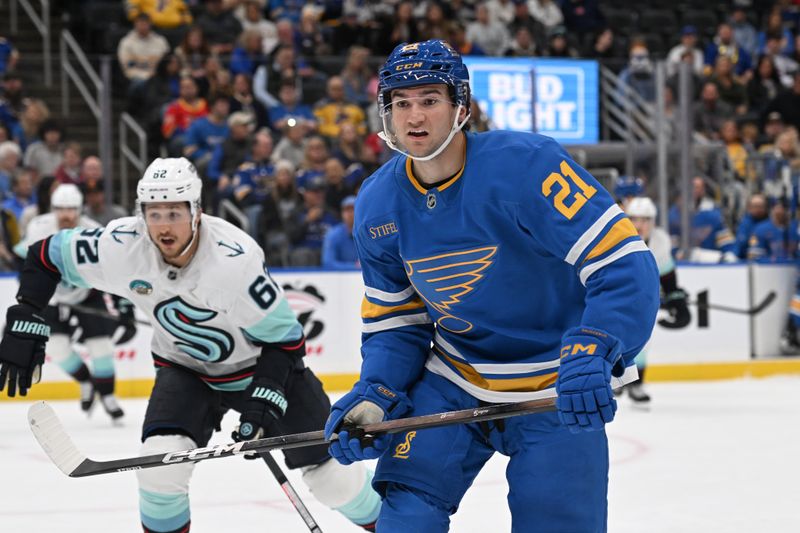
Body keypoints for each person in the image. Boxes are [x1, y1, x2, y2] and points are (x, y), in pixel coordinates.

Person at [323, 39, 660, 532]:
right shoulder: (376, 203)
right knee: (406, 519)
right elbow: (398, 322)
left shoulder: (527, 167)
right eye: (401, 103)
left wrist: (600, 344)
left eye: (430, 100)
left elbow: (624, 263)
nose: (414, 116)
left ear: (461, 106)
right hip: (452, 380)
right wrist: (377, 390)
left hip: (552, 385)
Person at [0, 158, 380, 532]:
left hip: (263, 367)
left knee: (334, 482)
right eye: (154, 213)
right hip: (186, 370)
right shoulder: (121, 245)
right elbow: (44, 256)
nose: (164, 226)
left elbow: (285, 341)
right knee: (158, 474)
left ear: (196, 212)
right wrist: (26, 312)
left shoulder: (235, 260)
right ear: (140, 213)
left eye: (174, 213)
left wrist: (265, 400)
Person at [12, 184, 125, 420]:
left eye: (71, 209)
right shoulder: (39, 227)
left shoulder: (93, 231)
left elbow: (109, 266)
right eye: (60, 209)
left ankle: (107, 395)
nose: (66, 215)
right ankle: (87, 383)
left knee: (100, 346)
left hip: (87, 293)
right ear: (52, 209)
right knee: (56, 348)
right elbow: (22, 254)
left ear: (80, 210)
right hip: (52, 298)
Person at [624, 197, 691, 405]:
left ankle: (635, 383)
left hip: (640, 297)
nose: (639, 225)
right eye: (634, 219)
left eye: (645, 220)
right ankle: (613, 380)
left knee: (642, 339)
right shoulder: (616, 236)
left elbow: (667, 275)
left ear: (653, 222)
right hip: (615, 294)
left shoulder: (660, 241)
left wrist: (675, 298)